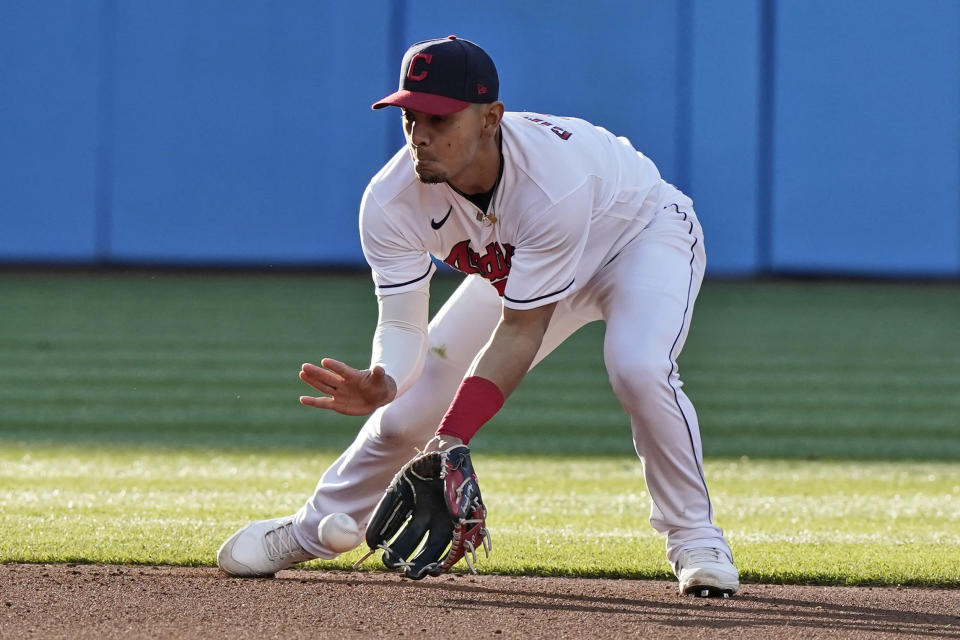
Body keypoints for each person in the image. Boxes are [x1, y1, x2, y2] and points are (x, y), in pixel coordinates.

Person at [217, 35, 739, 597]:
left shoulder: (550, 182)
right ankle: (309, 531)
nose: (420, 134)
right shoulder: (391, 200)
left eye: (439, 117)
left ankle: (695, 538)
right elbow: (401, 324)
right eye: (411, 115)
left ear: (491, 118)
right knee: (401, 415)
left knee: (637, 367)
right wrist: (386, 377)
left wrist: (453, 437)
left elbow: (522, 330)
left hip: (639, 238)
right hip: (530, 264)